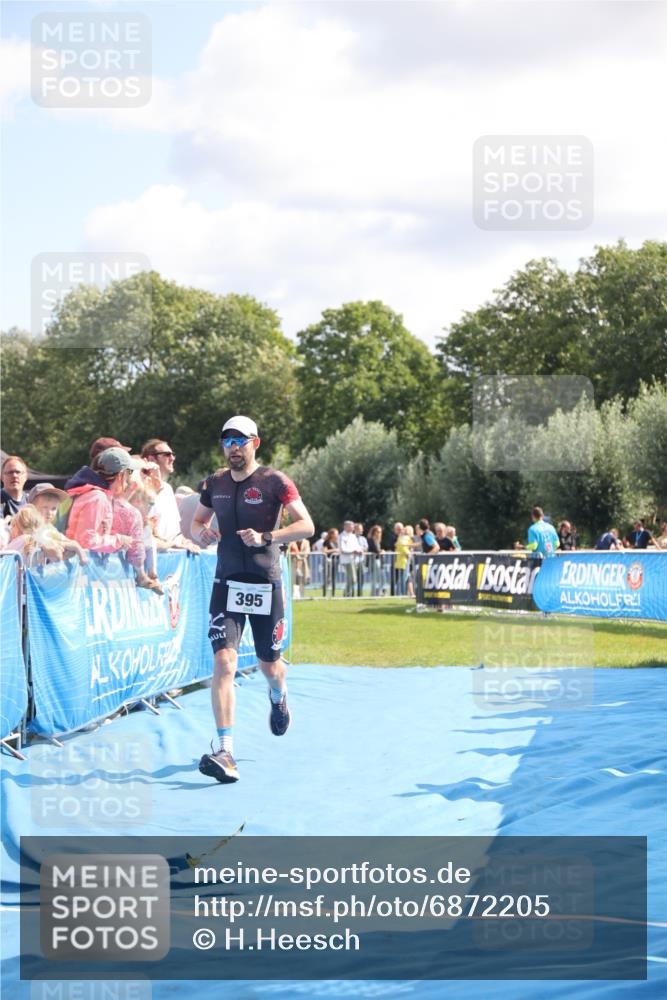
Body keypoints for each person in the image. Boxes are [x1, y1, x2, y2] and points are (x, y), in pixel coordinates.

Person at [191, 415, 314, 784]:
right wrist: (201, 534)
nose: (232, 448)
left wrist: (267, 537)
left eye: (239, 441)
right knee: (224, 663)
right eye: (226, 441)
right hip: (226, 582)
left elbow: (306, 525)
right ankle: (225, 751)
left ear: (255, 443)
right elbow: (197, 522)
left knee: (269, 666)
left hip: (265, 584)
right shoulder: (213, 483)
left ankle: (279, 694)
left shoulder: (275, 481)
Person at [140, 439, 199, 553]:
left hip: (172, 557)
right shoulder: (140, 489)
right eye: (167, 454)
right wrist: (170, 545)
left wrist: (186, 542)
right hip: (151, 557)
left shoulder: (168, 489)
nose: (172, 458)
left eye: (173, 454)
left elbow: (175, 533)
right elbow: (142, 531)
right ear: (152, 459)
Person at [339, 520, 362, 597]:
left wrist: (359, 550)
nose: (352, 528)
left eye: (352, 526)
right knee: (352, 579)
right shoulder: (342, 536)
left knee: (351, 579)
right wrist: (353, 551)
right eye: (351, 526)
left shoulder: (353, 536)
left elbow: (357, 546)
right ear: (345, 527)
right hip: (346, 560)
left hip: (354, 560)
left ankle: (347, 594)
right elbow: (343, 549)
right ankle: (347, 594)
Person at [366, 524, 383, 595]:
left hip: (377, 560)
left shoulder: (377, 540)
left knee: (378, 577)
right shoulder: (371, 539)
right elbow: (376, 550)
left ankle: (377, 592)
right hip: (374, 560)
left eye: (380, 532)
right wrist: (381, 551)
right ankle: (373, 593)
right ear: (374, 532)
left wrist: (381, 551)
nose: (379, 533)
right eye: (377, 531)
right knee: (375, 578)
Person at [354, 522, 368, 596]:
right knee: (352, 578)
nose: (362, 530)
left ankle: (360, 593)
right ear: (355, 529)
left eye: (362, 529)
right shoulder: (351, 538)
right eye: (360, 529)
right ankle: (349, 594)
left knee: (361, 577)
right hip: (353, 561)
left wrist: (361, 549)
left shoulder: (363, 539)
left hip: (361, 561)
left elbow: (366, 548)